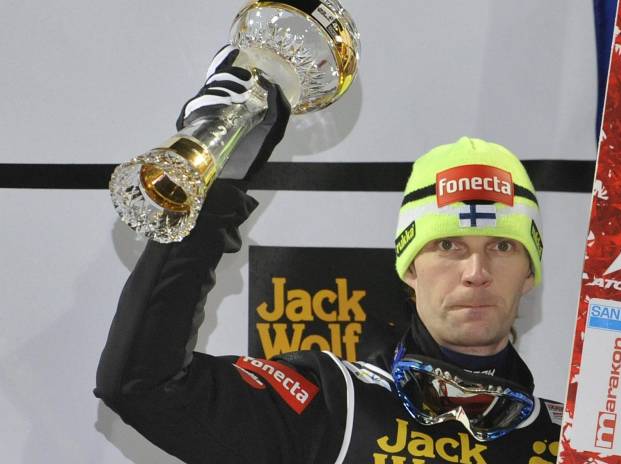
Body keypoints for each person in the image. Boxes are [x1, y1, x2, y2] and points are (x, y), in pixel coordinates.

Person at [95, 46, 562, 464]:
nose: (476, 272)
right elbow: (143, 385)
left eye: (502, 247)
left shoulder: (572, 441)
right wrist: (214, 188)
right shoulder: (334, 404)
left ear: (529, 273)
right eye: (448, 246)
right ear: (410, 268)